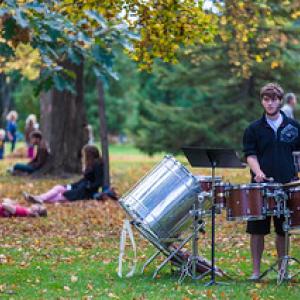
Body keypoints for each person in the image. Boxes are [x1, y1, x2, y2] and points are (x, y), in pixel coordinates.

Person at [243, 83, 300, 280]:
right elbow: (250, 155)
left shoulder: (294, 127)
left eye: (273, 99)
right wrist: (258, 172)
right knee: (257, 230)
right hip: (261, 187)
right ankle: (256, 271)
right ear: (262, 101)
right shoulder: (253, 129)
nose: (270, 103)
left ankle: (283, 269)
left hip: (287, 185)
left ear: (280, 101)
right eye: (266, 99)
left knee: (283, 229)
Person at [24, 144, 104, 203]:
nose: (83, 157)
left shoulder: (97, 165)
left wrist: (87, 186)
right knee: (59, 187)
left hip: (85, 192)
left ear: (90, 155)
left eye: (84, 154)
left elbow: (98, 182)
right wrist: (70, 186)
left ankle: (39, 199)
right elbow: (83, 180)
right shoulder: (90, 165)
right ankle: (39, 198)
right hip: (80, 188)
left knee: (60, 195)